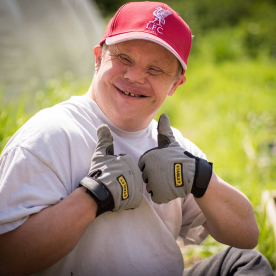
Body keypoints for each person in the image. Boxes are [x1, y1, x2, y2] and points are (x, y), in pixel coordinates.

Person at [0, 2, 274, 276]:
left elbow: (246, 236)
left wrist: (200, 178)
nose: (134, 76)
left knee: (244, 261)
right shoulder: (50, 136)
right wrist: (92, 197)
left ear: (176, 84)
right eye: (124, 59)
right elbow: (8, 260)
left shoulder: (169, 146)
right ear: (98, 58)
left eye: (155, 70)